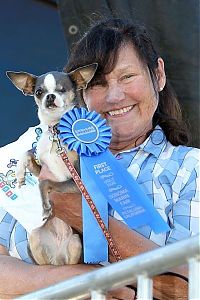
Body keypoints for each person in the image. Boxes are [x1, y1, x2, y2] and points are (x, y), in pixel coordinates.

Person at [0, 18, 199, 299]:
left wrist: (85, 217)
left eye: (127, 77)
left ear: (159, 75)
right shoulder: (35, 153)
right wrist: (91, 280)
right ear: (78, 93)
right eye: (98, 84)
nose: (115, 96)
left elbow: (187, 288)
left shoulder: (191, 169)